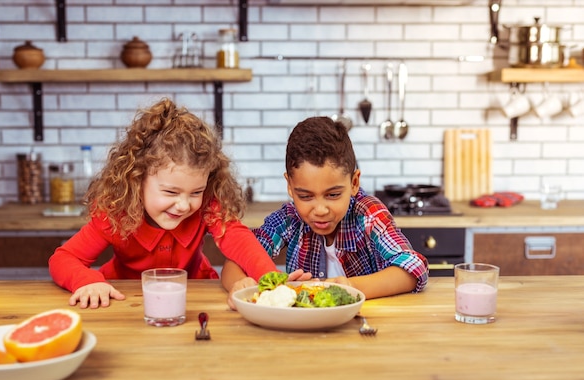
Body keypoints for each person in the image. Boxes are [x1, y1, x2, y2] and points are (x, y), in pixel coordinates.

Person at [49, 97, 289, 309]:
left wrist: (270, 278)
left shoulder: (207, 205)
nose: (184, 205)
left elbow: (238, 239)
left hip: (195, 294)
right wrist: (88, 282)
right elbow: (63, 259)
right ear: (137, 178)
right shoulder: (116, 212)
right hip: (123, 299)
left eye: (196, 192)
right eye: (171, 192)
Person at [222, 116, 429, 309]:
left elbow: (413, 269)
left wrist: (348, 286)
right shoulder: (289, 218)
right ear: (290, 186)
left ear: (354, 182)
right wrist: (241, 284)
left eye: (333, 195)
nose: (320, 210)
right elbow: (234, 263)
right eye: (305, 196)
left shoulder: (368, 214)